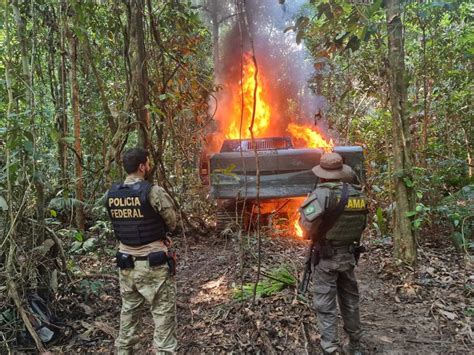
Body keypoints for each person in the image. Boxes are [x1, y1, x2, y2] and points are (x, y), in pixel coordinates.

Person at [105, 148, 177, 354]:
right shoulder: (152, 191)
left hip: (126, 265)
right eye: (147, 162)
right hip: (153, 264)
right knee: (162, 315)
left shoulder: (111, 194)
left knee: (128, 312)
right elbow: (171, 222)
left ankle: (124, 351)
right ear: (142, 166)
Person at [299, 152, 368, 355]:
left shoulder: (321, 194)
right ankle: (355, 345)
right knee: (350, 301)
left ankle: (330, 347)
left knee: (325, 302)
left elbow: (305, 226)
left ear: (323, 174)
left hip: (327, 259)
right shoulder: (357, 194)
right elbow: (361, 225)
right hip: (348, 256)